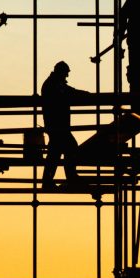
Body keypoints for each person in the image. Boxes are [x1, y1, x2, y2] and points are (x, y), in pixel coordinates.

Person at [41, 61, 89, 189]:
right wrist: (86, 95)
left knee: (55, 153)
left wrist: (84, 94)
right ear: (61, 72)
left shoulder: (54, 83)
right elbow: (69, 92)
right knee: (70, 148)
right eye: (66, 73)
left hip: (57, 125)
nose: (67, 76)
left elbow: (69, 91)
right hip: (58, 126)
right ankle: (70, 177)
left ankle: (49, 181)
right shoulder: (53, 85)